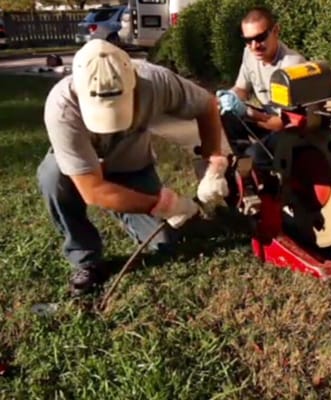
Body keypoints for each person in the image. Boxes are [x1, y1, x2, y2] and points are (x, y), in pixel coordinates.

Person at [37, 39, 229, 296]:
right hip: (85, 173)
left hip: (132, 167)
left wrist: (213, 161)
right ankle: (85, 259)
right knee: (52, 177)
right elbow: (93, 190)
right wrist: (166, 204)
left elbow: (207, 105)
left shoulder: (156, 81)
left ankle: (128, 204)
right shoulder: (62, 107)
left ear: (133, 81)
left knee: (166, 244)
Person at [216, 6, 306, 168]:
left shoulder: (291, 66)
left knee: (254, 155)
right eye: (248, 40)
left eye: (261, 37)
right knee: (228, 113)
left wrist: (248, 112)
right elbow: (242, 89)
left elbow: (282, 124)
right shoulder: (249, 53)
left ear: (276, 31)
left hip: (293, 131)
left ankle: (266, 175)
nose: (254, 46)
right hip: (269, 119)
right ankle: (246, 168)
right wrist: (230, 97)